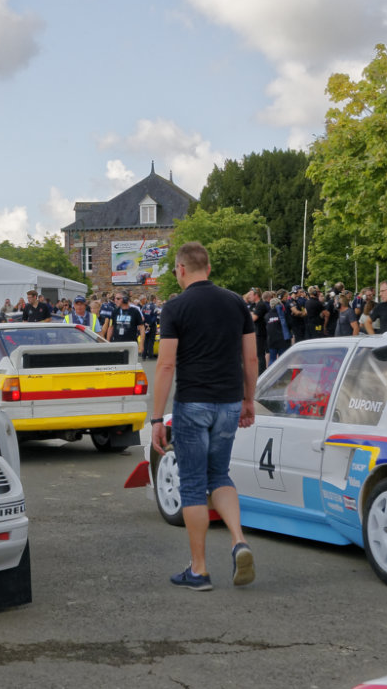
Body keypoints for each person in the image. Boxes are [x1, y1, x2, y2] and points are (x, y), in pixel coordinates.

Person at [150, 242, 257, 591]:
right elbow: (251, 358)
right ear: (208, 268)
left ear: (181, 270)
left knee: (194, 483)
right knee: (219, 475)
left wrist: (156, 419)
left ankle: (199, 570)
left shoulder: (175, 307)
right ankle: (238, 540)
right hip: (229, 402)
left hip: (193, 402)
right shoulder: (236, 302)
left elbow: (166, 365)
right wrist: (249, 399)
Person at [102, 292, 145, 356]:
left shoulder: (134, 311)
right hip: (117, 344)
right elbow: (111, 327)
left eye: (118, 298)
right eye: (115, 298)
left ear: (125, 299)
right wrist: (108, 342)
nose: (115, 300)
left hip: (131, 345)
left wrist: (141, 344)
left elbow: (142, 328)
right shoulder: (115, 311)